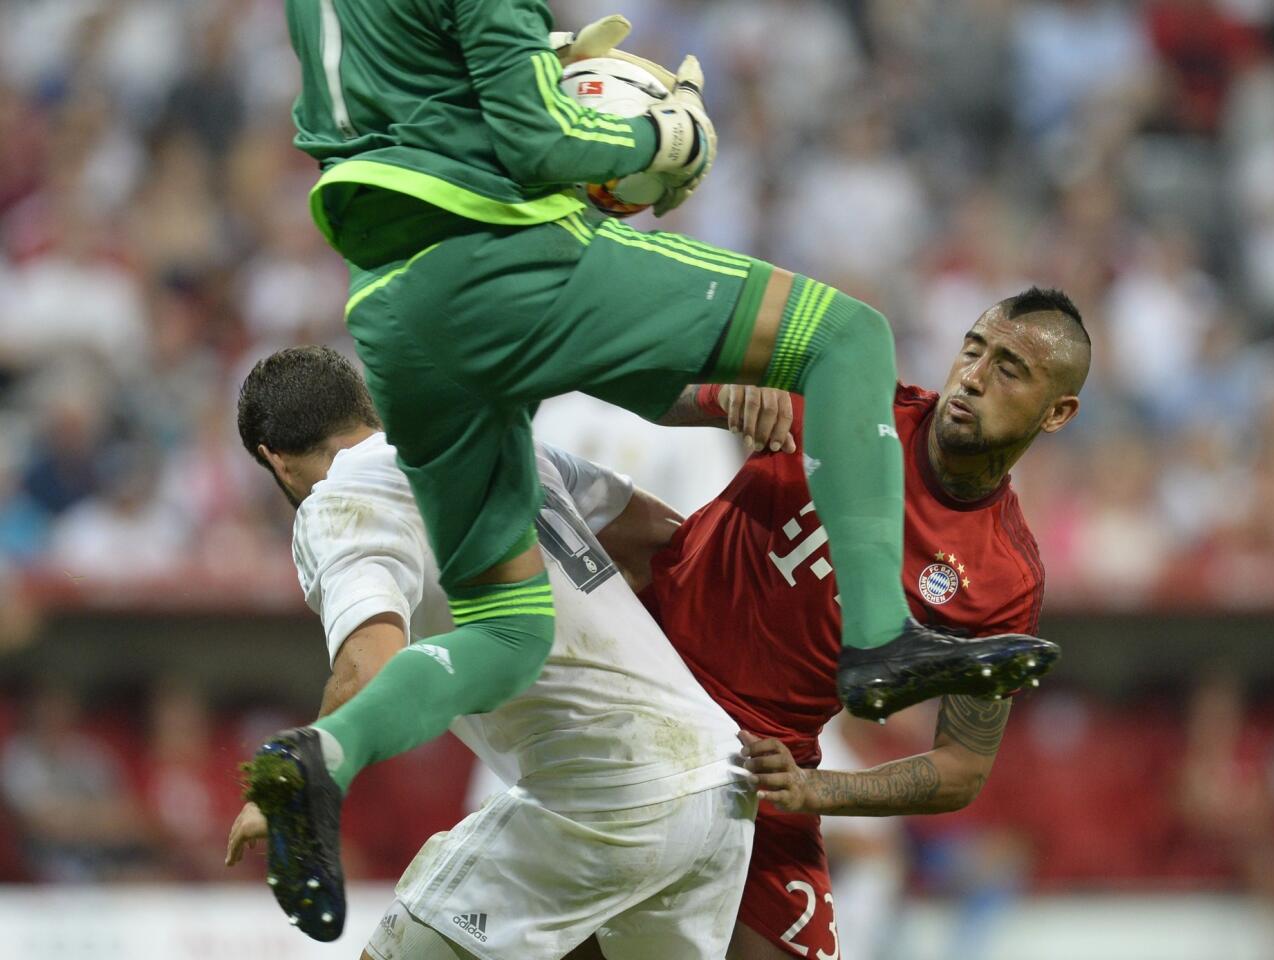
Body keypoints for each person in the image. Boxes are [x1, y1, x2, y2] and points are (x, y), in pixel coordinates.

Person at [251, 5, 1057, 936]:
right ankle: (883, 638)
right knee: (847, 336)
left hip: (393, 312)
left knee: (506, 630)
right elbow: (539, 138)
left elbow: (400, 105)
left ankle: (326, 754)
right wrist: (659, 134)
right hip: (499, 248)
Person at [230, 346, 757, 954]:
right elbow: (671, 548)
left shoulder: (339, 501)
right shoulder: (499, 445)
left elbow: (369, 662)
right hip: (719, 783)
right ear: (365, 407)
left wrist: (298, 782)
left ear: (275, 460)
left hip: (603, 786)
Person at [622, 287, 1091, 958]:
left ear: (1058, 412)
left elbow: (960, 767)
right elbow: (624, 385)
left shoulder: (1005, 577)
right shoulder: (851, 399)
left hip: (757, 766)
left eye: (1010, 368)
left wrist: (817, 788)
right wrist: (718, 395)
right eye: (973, 350)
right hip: (644, 680)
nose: (973, 378)